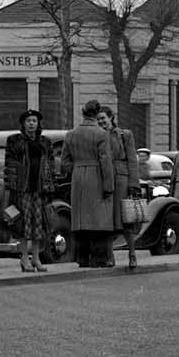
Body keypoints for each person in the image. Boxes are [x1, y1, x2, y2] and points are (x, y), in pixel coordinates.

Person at [63, 99, 116, 268]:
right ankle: (99, 258)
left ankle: (82, 257)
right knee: (99, 218)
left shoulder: (71, 134)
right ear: (96, 114)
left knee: (80, 219)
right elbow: (106, 162)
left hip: (78, 177)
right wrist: (109, 186)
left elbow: (64, 163)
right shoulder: (101, 134)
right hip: (97, 176)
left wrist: (77, 168)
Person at [2, 109, 56, 272]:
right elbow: (9, 164)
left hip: (40, 189)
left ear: (38, 123)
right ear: (23, 124)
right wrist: (12, 186)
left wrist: (51, 184)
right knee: (23, 225)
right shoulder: (14, 141)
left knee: (39, 225)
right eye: (28, 121)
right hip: (22, 189)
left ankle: (36, 258)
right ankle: (24, 258)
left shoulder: (45, 142)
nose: (31, 123)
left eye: (34, 120)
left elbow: (51, 164)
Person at [99, 106, 140, 268]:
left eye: (103, 118)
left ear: (111, 118)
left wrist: (133, 185)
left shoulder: (125, 135)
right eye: (98, 119)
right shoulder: (98, 136)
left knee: (126, 219)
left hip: (122, 180)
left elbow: (132, 161)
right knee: (107, 219)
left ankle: (132, 254)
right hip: (104, 180)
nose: (101, 121)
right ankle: (110, 256)